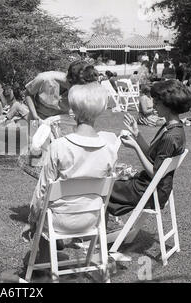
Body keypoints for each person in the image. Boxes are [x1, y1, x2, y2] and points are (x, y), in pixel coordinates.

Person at [21, 80, 120, 265]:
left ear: (72, 112)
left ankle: (42, 264)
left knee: (44, 210)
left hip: (59, 221)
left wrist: (32, 220)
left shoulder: (59, 147)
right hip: (92, 220)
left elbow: (42, 191)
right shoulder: (110, 149)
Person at [107, 80, 191, 218]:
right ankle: (104, 229)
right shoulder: (174, 128)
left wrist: (135, 147)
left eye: (157, 102)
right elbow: (152, 156)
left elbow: (154, 173)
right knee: (112, 182)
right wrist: (137, 134)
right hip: (153, 186)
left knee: (104, 188)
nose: (153, 105)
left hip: (150, 191)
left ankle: (98, 232)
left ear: (168, 105)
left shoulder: (170, 137)